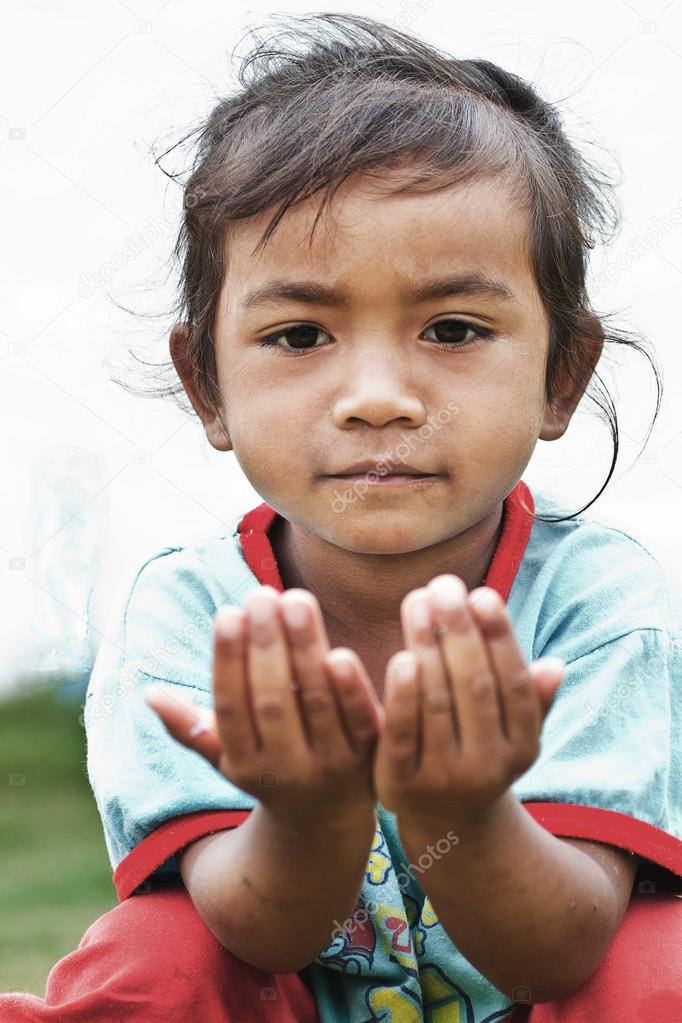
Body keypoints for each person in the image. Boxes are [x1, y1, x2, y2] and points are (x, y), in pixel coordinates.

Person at [3, 11, 681, 1022]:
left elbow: (561, 953)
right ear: (208, 389)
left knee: (658, 964)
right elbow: (255, 937)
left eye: (452, 328)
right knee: (153, 948)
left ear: (559, 377)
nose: (375, 395)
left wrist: (467, 811)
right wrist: (305, 812)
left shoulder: (601, 604)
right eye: (299, 333)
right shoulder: (189, 615)